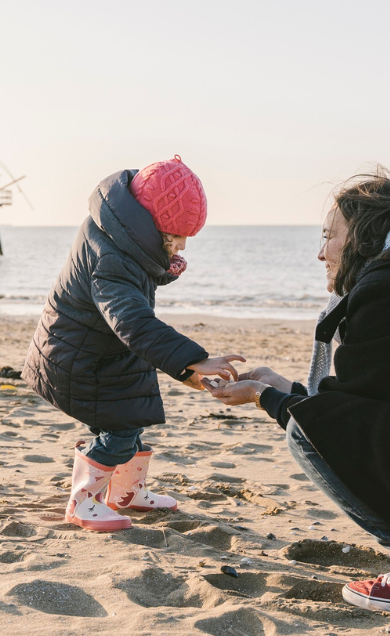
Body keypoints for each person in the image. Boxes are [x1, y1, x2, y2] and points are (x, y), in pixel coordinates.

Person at [206, 169, 390, 612]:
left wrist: (263, 397)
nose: (320, 252)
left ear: (366, 237)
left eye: (329, 236)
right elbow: (368, 398)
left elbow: (337, 417)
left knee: (308, 431)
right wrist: (282, 387)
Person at [22, 156, 244, 533]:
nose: (180, 245)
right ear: (148, 225)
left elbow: (135, 280)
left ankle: (126, 493)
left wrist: (162, 266)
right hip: (79, 359)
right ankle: (83, 501)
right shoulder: (110, 258)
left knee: (132, 418)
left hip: (100, 350)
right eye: (172, 237)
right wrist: (195, 360)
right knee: (119, 432)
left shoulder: (115, 230)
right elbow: (132, 320)